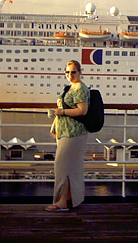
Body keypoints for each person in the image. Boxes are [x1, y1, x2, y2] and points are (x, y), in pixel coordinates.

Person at [46, 60, 90, 212]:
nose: (70, 75)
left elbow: (82, 111)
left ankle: (61, 202)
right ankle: (70, 200)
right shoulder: (69, 88)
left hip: (74, 133)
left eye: (73, 72)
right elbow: (60, 111)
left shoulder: (80, 88)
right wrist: (55, 128)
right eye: (67, 72)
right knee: (70, 168)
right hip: (65, 133)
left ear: (80, 72)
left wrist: (63, 112)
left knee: (62, 167)